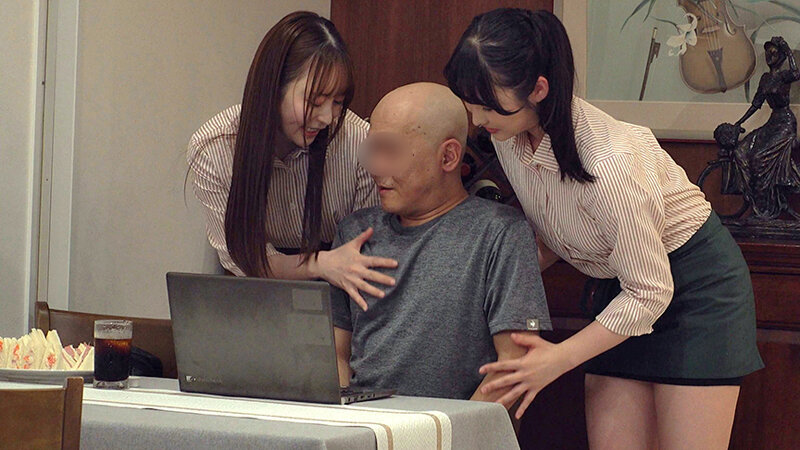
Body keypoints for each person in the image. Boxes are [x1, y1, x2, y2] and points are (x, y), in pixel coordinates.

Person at [444, 8, 763, 449]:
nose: (477, 119)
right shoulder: (509, 135)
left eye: (487, 104)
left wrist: (557, 359)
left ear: (538, 90)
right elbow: (558, 232)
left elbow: (650, 291)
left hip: (694, 290)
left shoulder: (610, 165)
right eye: (470, 104)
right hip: (620, 287)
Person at [330, 83, 551, 409]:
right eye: (373, 150)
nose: (376, 167)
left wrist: (448, 431)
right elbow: (334, 354)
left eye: (391, 151)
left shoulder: (500, 233)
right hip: (366, 425)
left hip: (460, 426)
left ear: (448, 156)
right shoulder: (355, 233)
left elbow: (515, 362)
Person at [187, 11, 396, 307]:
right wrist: (320, 264)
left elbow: (364, 254)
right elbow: (243, 261)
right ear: (273, 88)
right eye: (314, 101)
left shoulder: (357, 140)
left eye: (337, 102)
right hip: (258, 293)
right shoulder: (214, 148)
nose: (327, 118)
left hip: (343, 295)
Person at [714, 36, 800, 220]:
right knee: (741, 151)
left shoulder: (784, 76)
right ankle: (753, 201)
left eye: (774, 53)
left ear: (781, 56)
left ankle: (766, 208)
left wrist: (787, 48)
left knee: (760, 157)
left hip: (785, 123)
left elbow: (796, 73)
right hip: (772, 122)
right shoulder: (765, 78)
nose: (769, 57)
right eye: (768, 53)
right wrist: (739, 122)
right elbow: (756, 104)